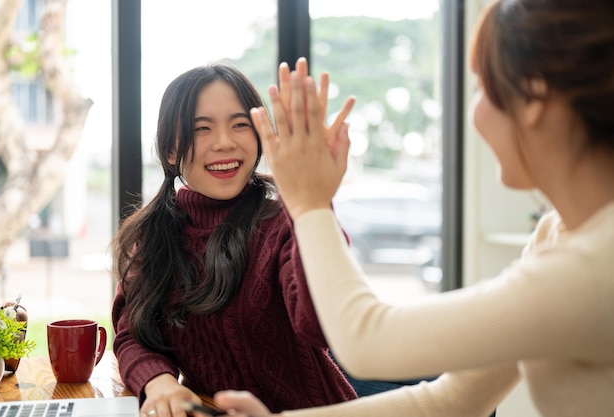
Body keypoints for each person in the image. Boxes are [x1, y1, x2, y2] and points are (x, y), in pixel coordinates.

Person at [213, 0, 614, 416]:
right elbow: (453, 401)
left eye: (480, 87)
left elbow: (365, 340)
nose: (474, 112)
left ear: (533, 94)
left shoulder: (598, 262)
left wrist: (309, 203)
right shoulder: (555, 235)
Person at [110, 61, 359, 417]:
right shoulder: (153, 236)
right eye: (201, 129)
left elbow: (323, 324)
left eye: (240, 124)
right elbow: (132, 334)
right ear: (169, 151)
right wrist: (159, 380)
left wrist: (312, 205)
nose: (224, 143)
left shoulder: (285, 223)